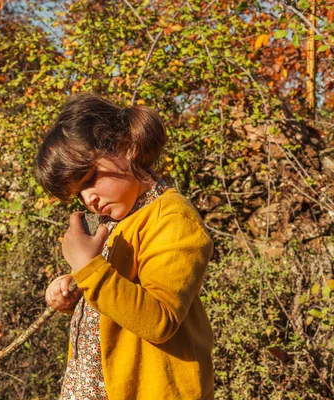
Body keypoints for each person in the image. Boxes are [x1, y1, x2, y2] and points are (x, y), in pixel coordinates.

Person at [35, 93, 214, 399]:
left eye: (90, 178)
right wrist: (75, 288)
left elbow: (160, 320)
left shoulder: (172, 218)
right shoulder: (117, 221)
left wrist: (89, 270)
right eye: (78, 193)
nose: (88, 198)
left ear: (126, 147)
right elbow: (115, 295)